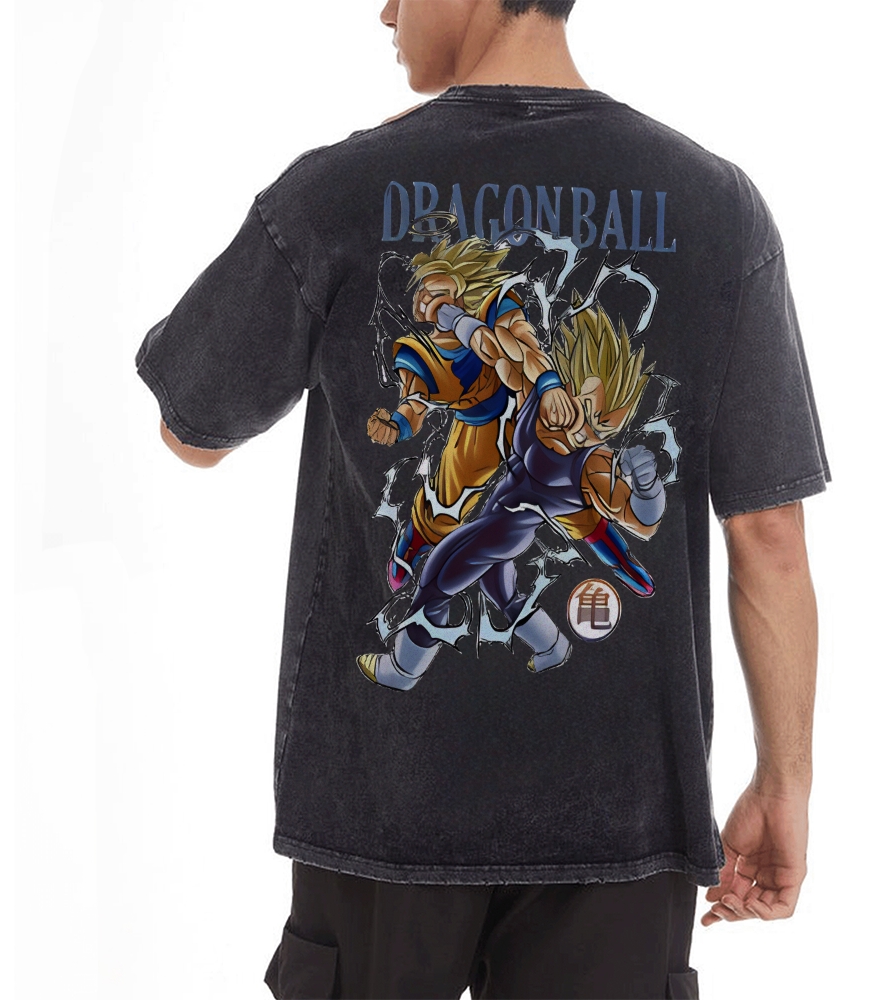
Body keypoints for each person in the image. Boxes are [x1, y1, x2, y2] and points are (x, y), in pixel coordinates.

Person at [134, 0, 830, 996]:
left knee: (466, 557)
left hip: (382, 808)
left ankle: (435, 641)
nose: (383, 10)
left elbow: (191, 426)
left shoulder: (341, 188)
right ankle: (530, 626)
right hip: (623, 818)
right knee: (480, 552)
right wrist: (784, 780)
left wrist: (348, 187)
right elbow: (768, 533)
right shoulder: (717, 207)